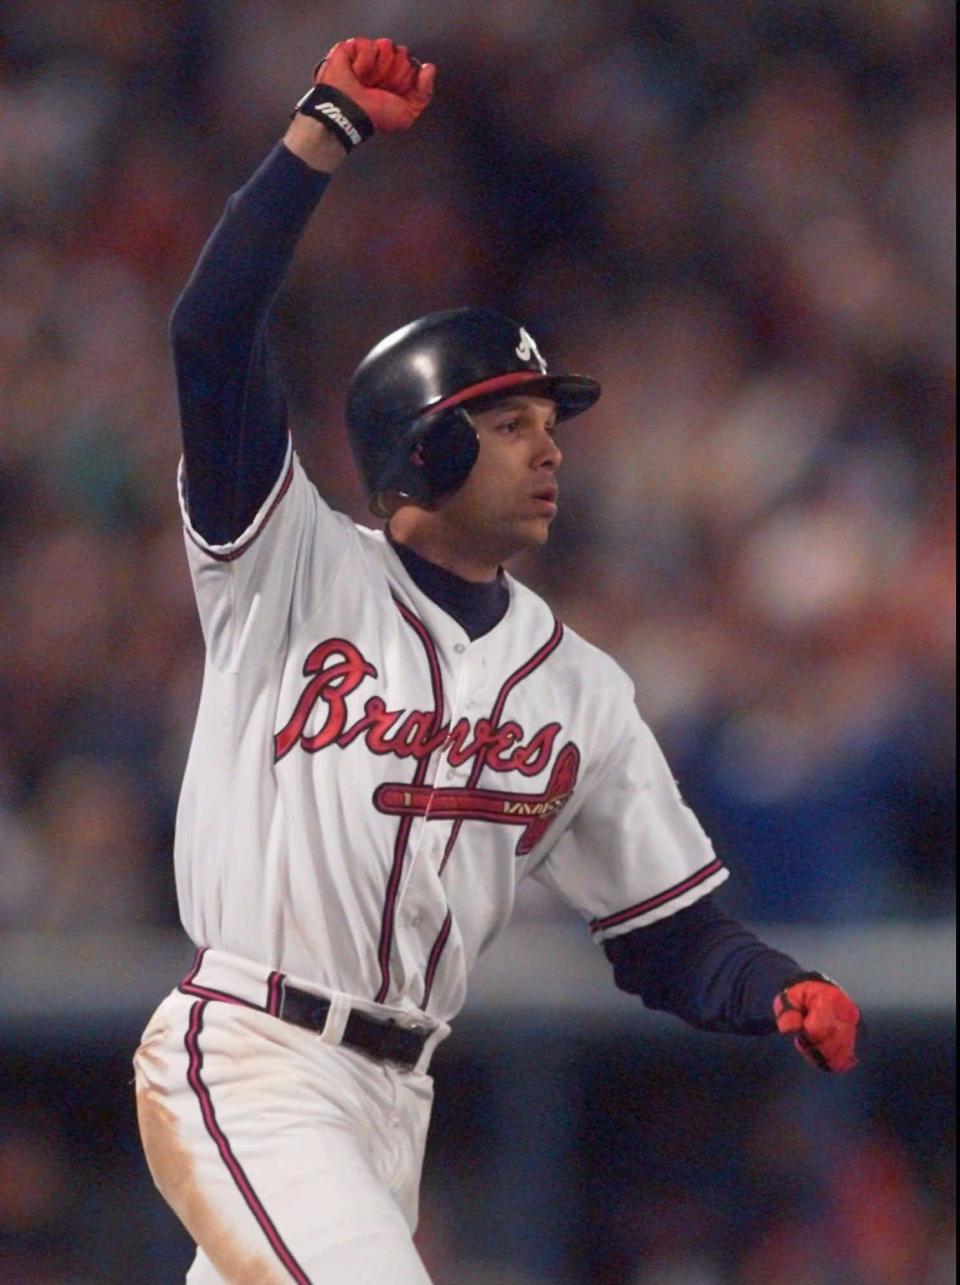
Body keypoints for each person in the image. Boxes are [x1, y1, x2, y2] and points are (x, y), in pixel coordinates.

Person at [133, 37, 862, 1285]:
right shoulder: (285, 562)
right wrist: (324, 131)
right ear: (421, 451)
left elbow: (669, 933)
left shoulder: (577, 683)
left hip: (394, 1100)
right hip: (254, 1053)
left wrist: (776, 989)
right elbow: (211, 331)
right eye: (509, 422)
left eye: (550, 424)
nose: (548, 449)